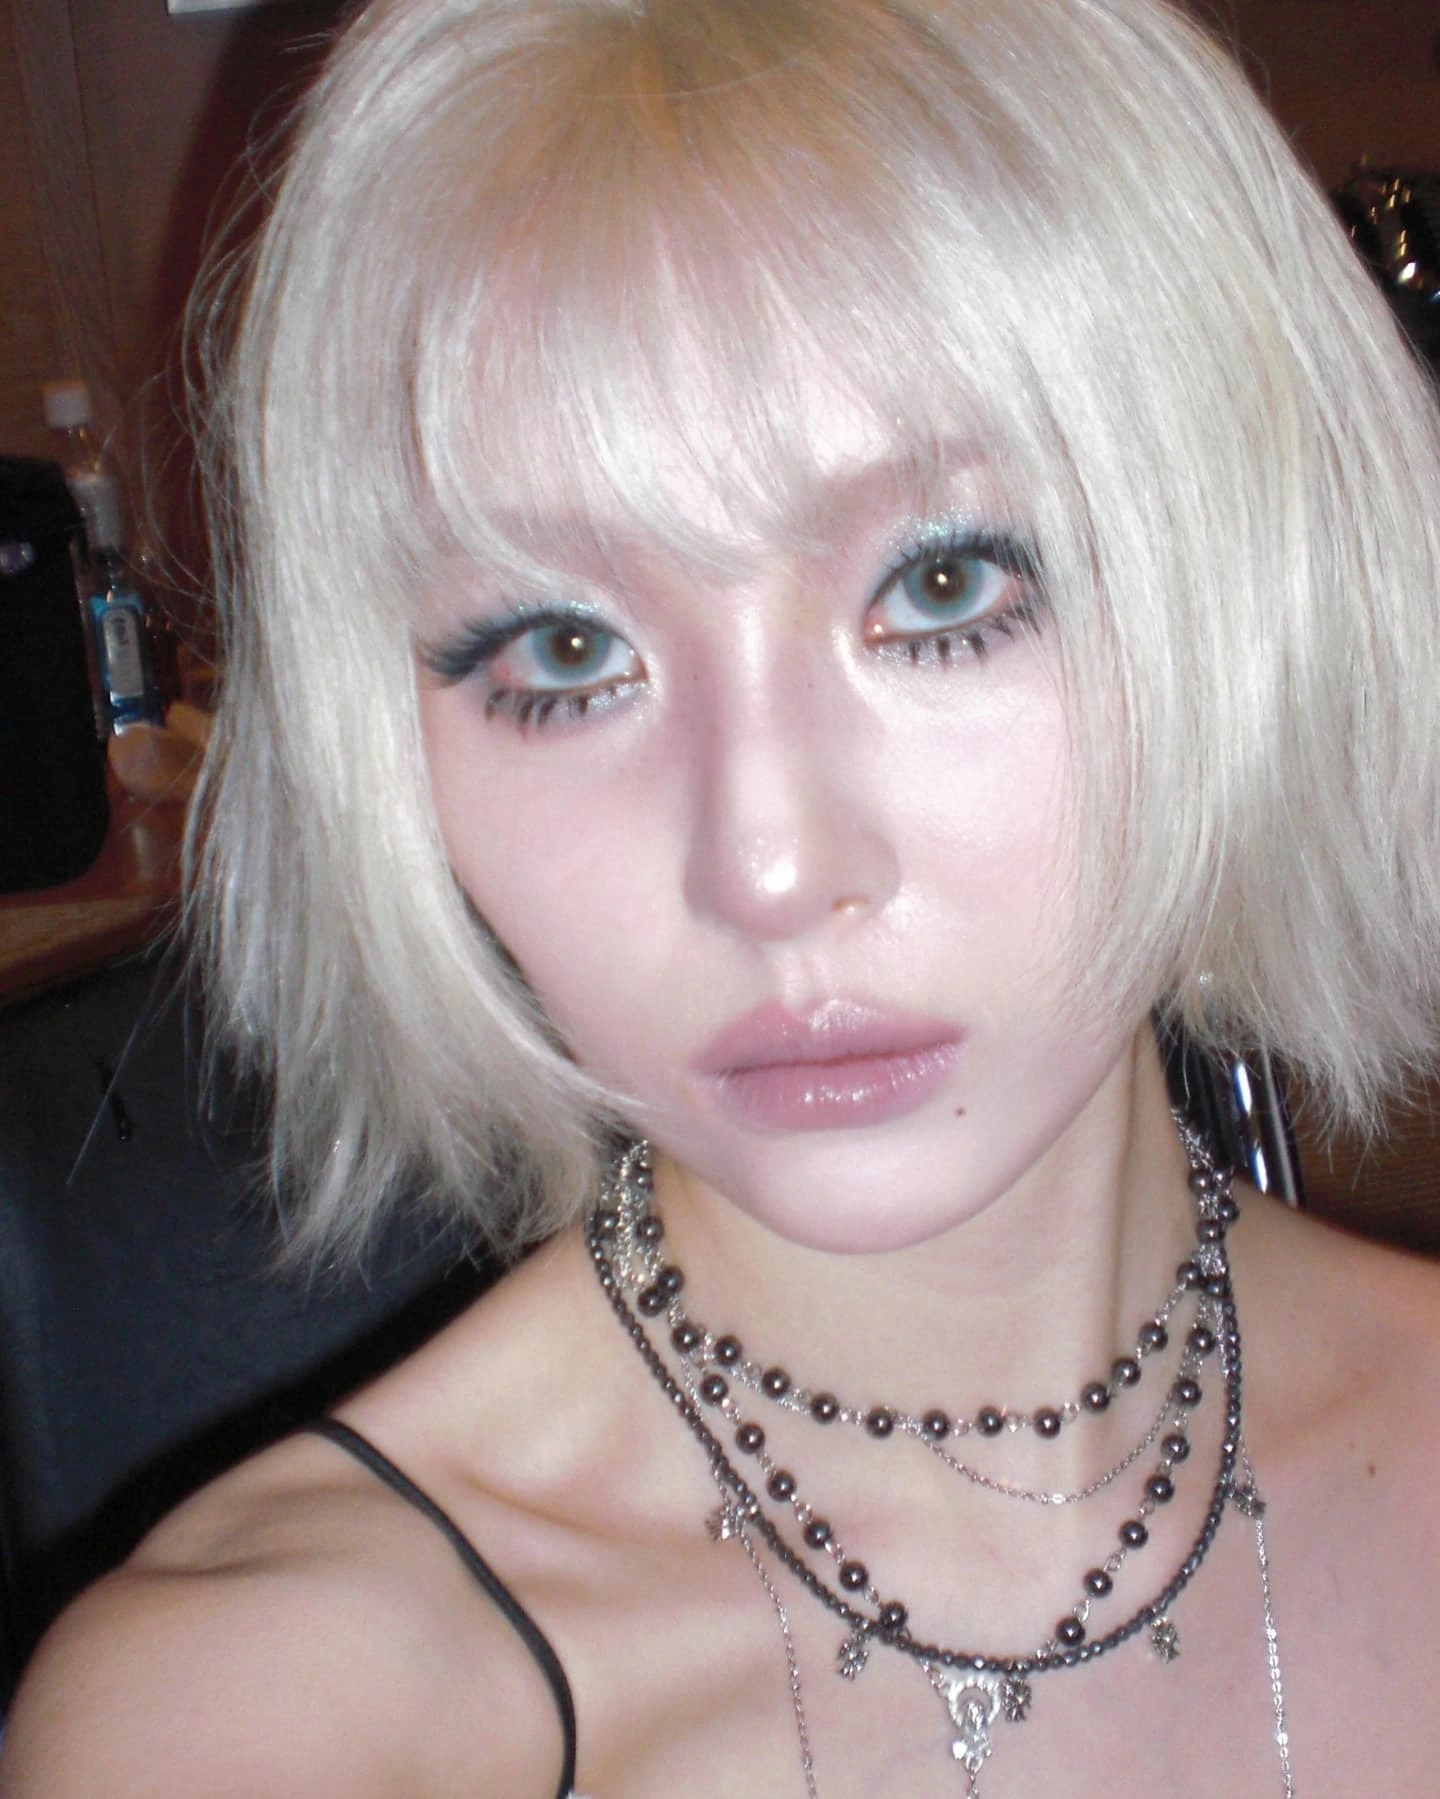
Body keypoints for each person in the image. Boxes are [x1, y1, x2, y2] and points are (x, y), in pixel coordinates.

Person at [4, 0, 1440, 1792]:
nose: (764, 868)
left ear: (1255, 580)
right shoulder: (265, 1726)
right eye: (564, 650)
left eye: (942, 587)